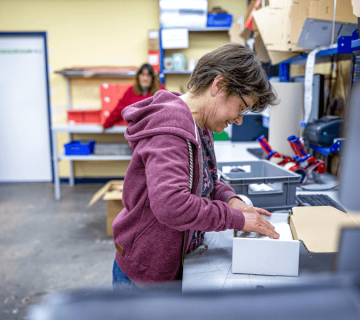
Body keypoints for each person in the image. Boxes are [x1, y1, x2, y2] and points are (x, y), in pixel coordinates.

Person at [112, 43, 279, 291]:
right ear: (219, 86)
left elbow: (204, 179)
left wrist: (231, 200)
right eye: (241, 107)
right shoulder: (172, 129)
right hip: (146, 276)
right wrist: (235, 219)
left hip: (171, 263)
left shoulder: (199, 122)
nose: (239, 119)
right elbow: (172, 205)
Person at [102, 63, 165, 129]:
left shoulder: (160, 91)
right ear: (138, 76)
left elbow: (169, 108)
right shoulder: (131, 92)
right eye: (142, 75)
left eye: (148, 75)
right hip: (136, 132)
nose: (145, 78)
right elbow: (119, 110)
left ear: (152, 78)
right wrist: (106, 124)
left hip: (155, 131)